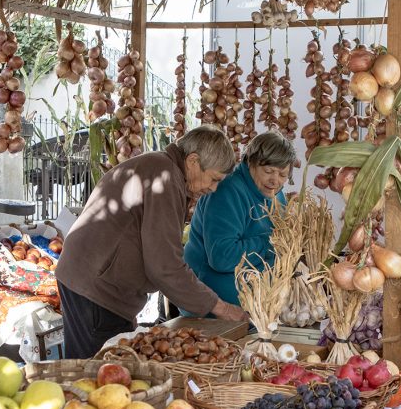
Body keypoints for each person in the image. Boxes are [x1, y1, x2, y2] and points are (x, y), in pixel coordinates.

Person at [55, 126, 247, 358]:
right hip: (97, 289)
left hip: (95, 283)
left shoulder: (162, 168)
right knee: (97, 375)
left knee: (110, 373)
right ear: (194, 161)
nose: (213, 188)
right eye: (214, 179)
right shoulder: (164, 177)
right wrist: (221, 308)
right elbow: (165, 266)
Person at [182, 132, 294, 310]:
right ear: (250, 162)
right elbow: (222, 257)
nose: (275, 181)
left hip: (261, 307)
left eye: (282, 174)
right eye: (268, 171)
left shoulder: (276, 194)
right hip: (217, 310)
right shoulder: (226, 192)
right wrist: (270, 241)